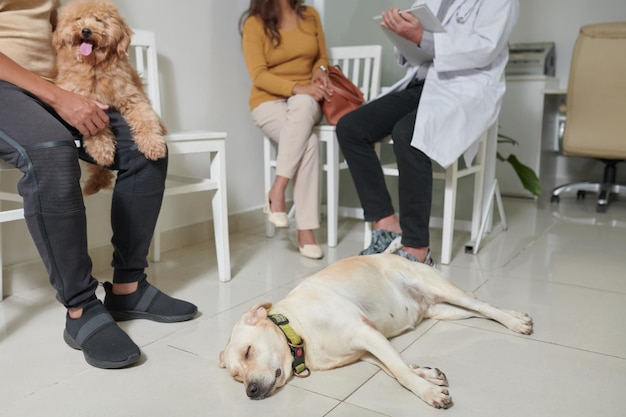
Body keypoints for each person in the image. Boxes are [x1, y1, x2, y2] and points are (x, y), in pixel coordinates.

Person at [0, 0, 197, 369]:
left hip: (58, 84)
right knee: (51, 151)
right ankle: (80, 308)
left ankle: (128, 288)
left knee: (146, 149)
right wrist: (58, 96)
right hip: (8, 87)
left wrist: (65, 88)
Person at [336, 0, 519, 265]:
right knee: (351, 127)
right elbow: (416, 52)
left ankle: (417, 249)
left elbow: (486, 49)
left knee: (408, 133)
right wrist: (403, 36)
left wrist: (423, 37)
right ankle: (387, 225)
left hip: (466, 88)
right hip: (425, 81)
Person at [239, 0, 332, 260]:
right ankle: (306, 231)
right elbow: (258, 75)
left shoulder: (310, 15)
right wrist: (298, 87)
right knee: (309, 143)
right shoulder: (254, 23)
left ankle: (277, 189)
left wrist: (320, 72)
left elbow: (322, 57)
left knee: (303, 105)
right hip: (268, 101)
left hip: (307, 100)